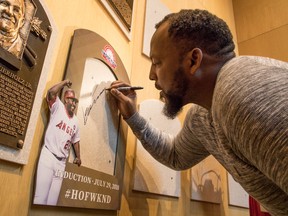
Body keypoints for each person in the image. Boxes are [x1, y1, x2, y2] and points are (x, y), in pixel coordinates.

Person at [108, 9, 288, 216]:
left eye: (157, 63)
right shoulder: (203, 115)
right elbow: (175, 155)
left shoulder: (245, 91)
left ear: (193, 61)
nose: (151, 75)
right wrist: (133, 116)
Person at [33, 79, 81, 205]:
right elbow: (51, 93)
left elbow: (75, 140)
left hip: (62, 163)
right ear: (65, 99)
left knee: (52, 203)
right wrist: (64, 82)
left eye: (74, 100)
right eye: (71, 99)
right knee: (40, 199)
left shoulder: (75, 120)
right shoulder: (58, 107)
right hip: (49, 156)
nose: (73, 102)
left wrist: (79, 157)